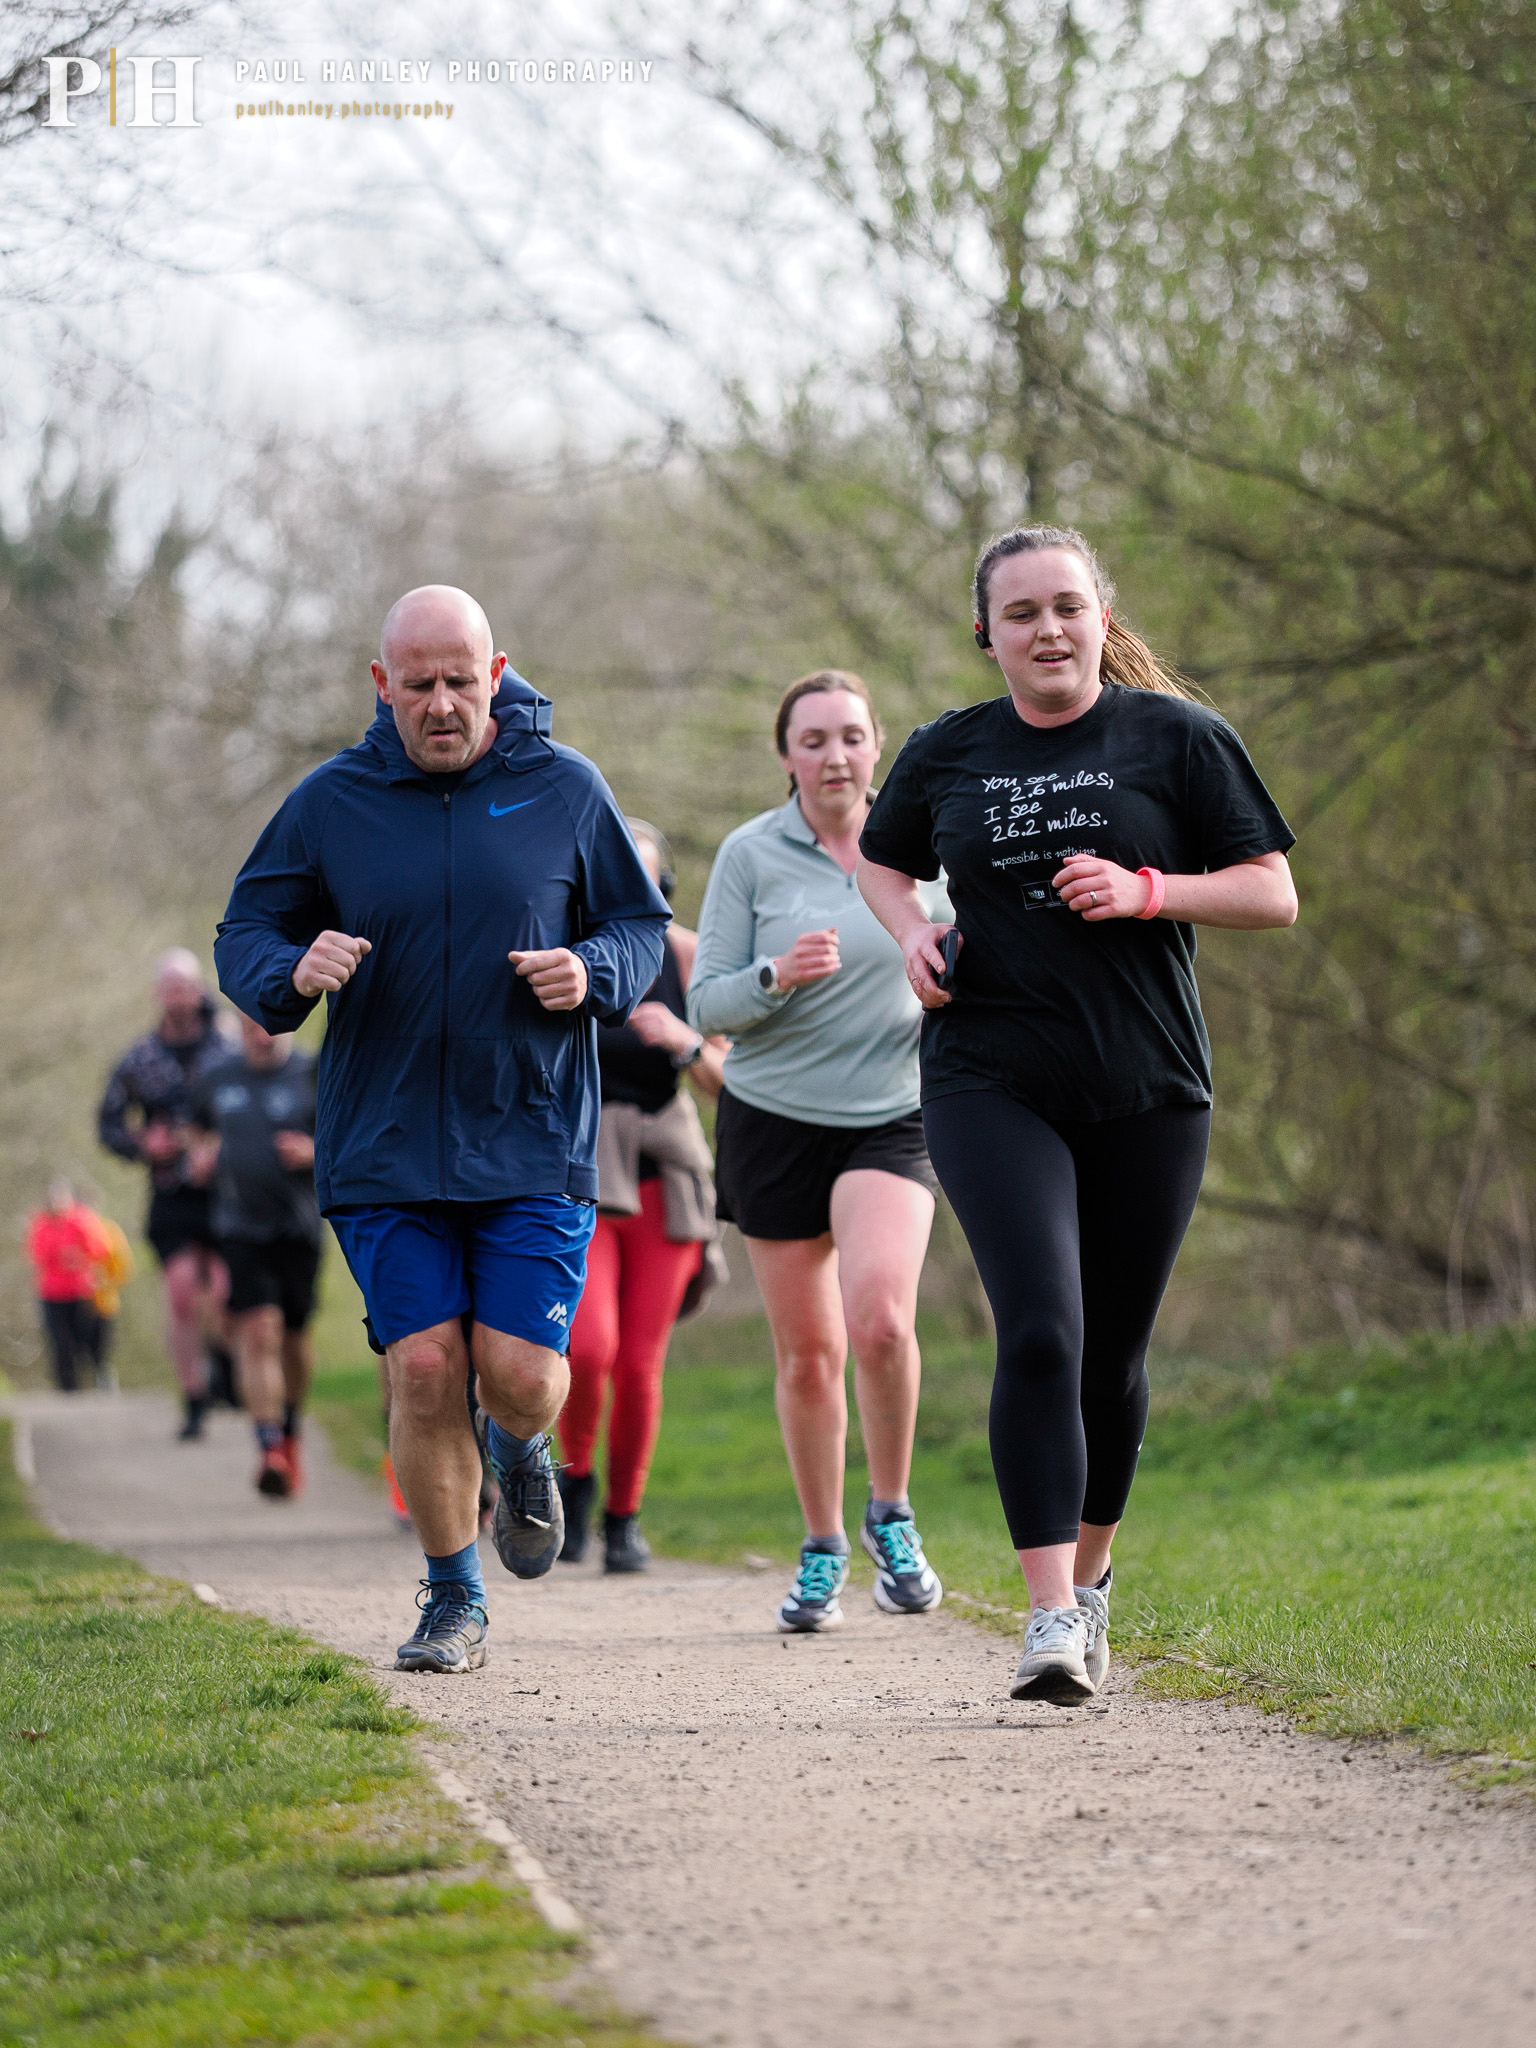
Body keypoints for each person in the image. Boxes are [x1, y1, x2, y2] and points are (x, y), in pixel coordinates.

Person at [857, 524, 1298, 1703]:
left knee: (1112, 1354)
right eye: (1021, 613)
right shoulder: (948, 750)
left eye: (1066, 606)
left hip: (1148, 1084)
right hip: (986, 1072)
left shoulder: (1180, 738)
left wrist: (1150, 889)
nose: (1047, 630)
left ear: (1101, 613)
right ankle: (1049, 1613)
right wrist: (909, 932)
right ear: (986, 632)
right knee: (1042, 1328)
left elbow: (1272, 891)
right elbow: (882, 859)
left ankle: (1093, 1581)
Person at [214, 584, 670, 1675]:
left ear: (497, 673)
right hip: (383, 1141)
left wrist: (592, 969)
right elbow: (245, 928)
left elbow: (637, 922)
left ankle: (522, 1443)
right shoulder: (331, 801)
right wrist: (289, 969)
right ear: (383, 685)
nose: (441, 703)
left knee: (517, 1368)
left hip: (531, 1130)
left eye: (461, 680)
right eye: (417, 684)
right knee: (424, 1364)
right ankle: (453, 1597)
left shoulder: (567, 789)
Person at [688, 671, 951, 1634]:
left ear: (877, 744)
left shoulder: (924, 843)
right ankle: (821, 1547)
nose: (834, 756)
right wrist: (776, 973)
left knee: (880, 1319)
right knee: (809, 1356)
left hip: (893, 1113)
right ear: (786, 755)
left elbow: (968, 954)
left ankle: (893, 1515)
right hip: (773, 1118)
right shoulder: (751, 855)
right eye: (813, 740)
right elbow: (706, 1005)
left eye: (850, 736)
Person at [556, 818, 729, 1573]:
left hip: (667, 1178)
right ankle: (576, 1492)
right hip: (583, 1177)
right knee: (587, 1351)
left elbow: (732, 1082)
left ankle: (625, 1519)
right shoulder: (564, 958)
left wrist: (684, 1042)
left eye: (646, 881)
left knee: (639, 1363)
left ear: (662, 890)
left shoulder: (688, 958)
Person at [98, 951, 236, 1438]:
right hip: (172, 1194)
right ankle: (194, 1396)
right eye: (170, 989)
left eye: (187, 988)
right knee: (180, 1292)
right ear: (159, 994)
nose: (179, 998)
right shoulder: (140, 1057)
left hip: (228, 1192)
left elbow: (257, 1110)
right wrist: (143, 1144)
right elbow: (108, 1123)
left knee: (223, 1293)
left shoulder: (228, 1048)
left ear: (199, 990)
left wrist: (223, 1149)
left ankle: (224, 1363)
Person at [187, 1013, 321, 1500]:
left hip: (300, 1226)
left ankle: (290, 1431)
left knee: (293, 1339)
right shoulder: (218, 1078)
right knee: (257, 1330)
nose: (261, 1035)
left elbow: (351, 1136)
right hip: (240, 1226)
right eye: (249, 1026)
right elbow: (194, 1130)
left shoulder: (313, 1071)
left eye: (269, 1025)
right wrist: (199, 1155)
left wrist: (314, 1151)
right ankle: (268, 1449)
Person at [24, 1179, 112, 1392]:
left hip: (81, 1290)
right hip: (52, 1292)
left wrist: (79, 1256)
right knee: (60, 1339)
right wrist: (59, 1255)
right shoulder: (41, 1224)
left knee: (86, 1337)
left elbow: (101, 1249)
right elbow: (36, 1254)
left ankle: (99, 1377)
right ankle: (67, 1387)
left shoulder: (82, 1220)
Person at [87, 1210, 134, 1386]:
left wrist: (106, 1284)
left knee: (101, 1348)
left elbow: (122, 1266)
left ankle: (103, 1379)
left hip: (104, 1301)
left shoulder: (108, 1230)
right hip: (73, 1300)